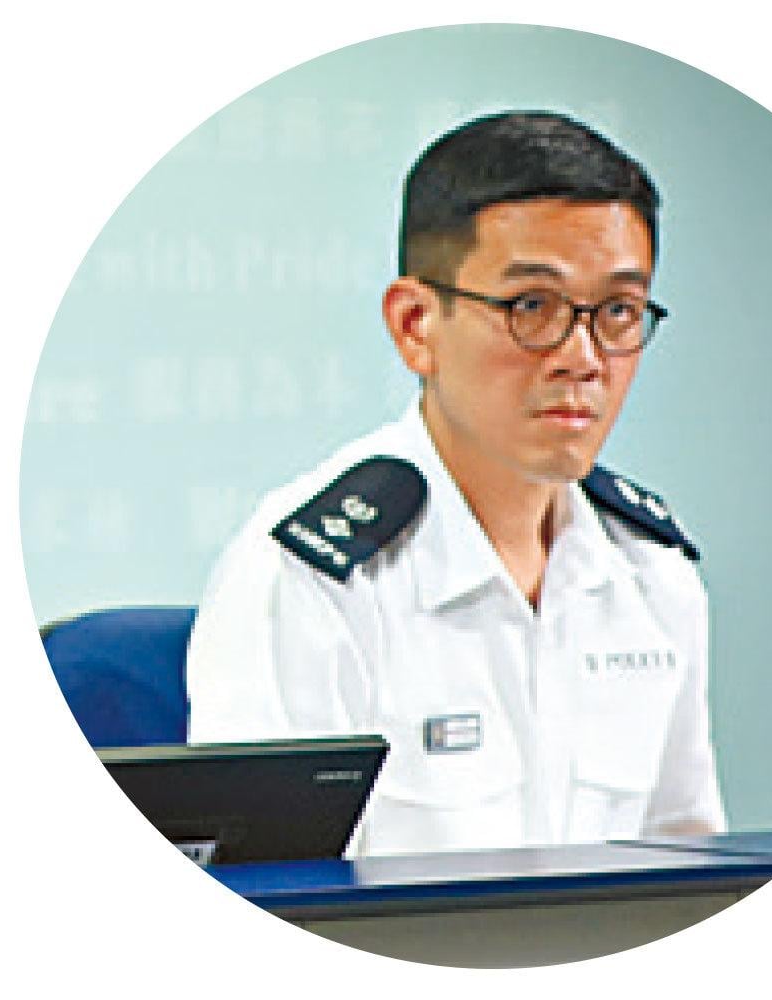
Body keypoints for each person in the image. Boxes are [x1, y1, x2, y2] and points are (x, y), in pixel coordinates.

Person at [185, 111, 726, 856]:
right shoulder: (312, 578)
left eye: (618, 312)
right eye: (533, 306)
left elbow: (686, 870)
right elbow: (264, 896)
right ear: (416, 325)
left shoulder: (652, 573)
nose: (583, 357)